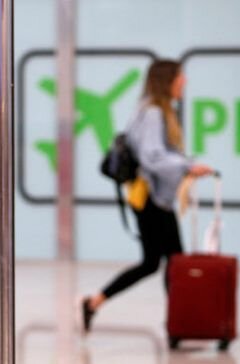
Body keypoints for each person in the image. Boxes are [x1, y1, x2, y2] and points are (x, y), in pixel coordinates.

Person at [81, 59, 215, 332]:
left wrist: (185, 165)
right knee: (172, 262)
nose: (184, 82)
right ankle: (179, 322)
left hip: (150, 197)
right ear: (167, 81)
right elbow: (152, 157)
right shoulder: (153, 112)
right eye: (180, 77)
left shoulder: (148, 109)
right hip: (151, 199)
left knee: (157, 262)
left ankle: (95, 303)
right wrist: (188, 166)